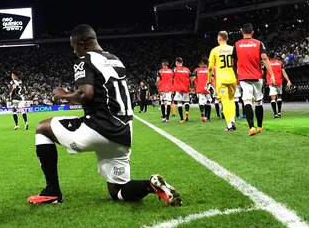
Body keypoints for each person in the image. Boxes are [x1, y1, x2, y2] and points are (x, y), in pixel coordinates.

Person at [28, 24, 181, 206]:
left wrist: (62, 95)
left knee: (42, 129)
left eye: (74, 47)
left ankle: (52, 192)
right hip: (123, 135)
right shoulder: (116, 60)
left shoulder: (84, 59)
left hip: (98, 128)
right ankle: (151, 186)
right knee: (117, 191)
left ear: (82, 44)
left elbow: (86, 94)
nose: (74, 52)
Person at [232, 23, 275, 136]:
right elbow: (265, 59)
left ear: (242, 32)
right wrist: (272, 74)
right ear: (252, 32)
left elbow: (233, 63)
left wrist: (235, 74)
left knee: (247, 100)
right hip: (257, 76)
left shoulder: (236, 45)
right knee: (258, 101)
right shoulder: (258, 43)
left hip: (243, 77)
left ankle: (251, 127)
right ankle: (260, 126)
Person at [208, 31, 238, 132]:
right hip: (232, 78)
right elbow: (237, 64)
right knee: (231, 100)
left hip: (222, 80)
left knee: (225, 102)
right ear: (227, 38)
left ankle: (229, 125)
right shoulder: (233, 48)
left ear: (219, 38)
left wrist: (209, 80)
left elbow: (210, 68)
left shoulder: (215, 50)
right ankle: (233, 120)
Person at [266, 52, 292, 118]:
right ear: (275, 56)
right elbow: (283, 72)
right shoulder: (280, 63)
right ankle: (279, 112)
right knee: (279, 97)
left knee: (273, 98)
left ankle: (275, 113)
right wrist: (288, 80)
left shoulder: (267, 63)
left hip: (272, 82)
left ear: (269, 57)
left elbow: (263, 72)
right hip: (279, 81)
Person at [173, 57, 191, 123]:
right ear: (182, 63)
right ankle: (186, 112)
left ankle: (181, 119)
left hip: (178, 89)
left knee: (179, 103)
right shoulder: (187, 69)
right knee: (186, 102)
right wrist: (191, 87)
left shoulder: (175, 69)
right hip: (186, 88)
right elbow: (190, 78)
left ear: (177, 62)